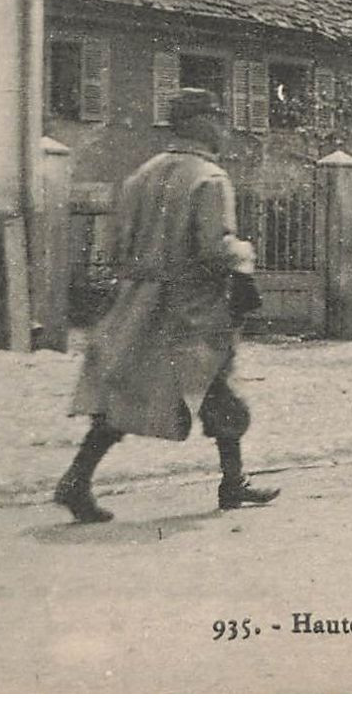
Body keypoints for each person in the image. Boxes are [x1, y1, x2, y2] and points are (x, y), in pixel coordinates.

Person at [54, 88, 279, 523]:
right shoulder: (209, 178)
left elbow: (116, 244)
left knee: (125, 393)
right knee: (213, 386)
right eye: (217, 117)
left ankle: (78, 480)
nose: (223, 127)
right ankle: (232, 484)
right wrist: (244, 254)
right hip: (189, 308)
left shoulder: (141, 175)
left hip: (137, 304)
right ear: (198, 122)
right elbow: (216, 247)